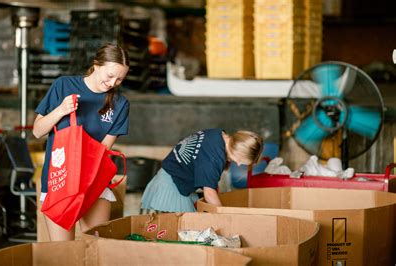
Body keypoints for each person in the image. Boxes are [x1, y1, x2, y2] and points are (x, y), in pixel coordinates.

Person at [33, 43, 130, 241]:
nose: (113, 83)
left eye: (120, 79)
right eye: (110, 75)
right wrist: (61, 110)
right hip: (59, 180)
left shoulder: (120, 104)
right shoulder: (64, 85)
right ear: (96, 65)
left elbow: (103, 149)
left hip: (94, 182)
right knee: (63, 255)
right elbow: (37, 131)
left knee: (95, 250)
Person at [141, 129, 263, 213]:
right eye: (240, 160)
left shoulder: (218, 134)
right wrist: (226, 215)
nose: (238, 163)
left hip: (168, 177)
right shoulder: (213, 159)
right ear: (237, 150)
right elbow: (209, 194)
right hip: (170, 188)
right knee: (185, 234)